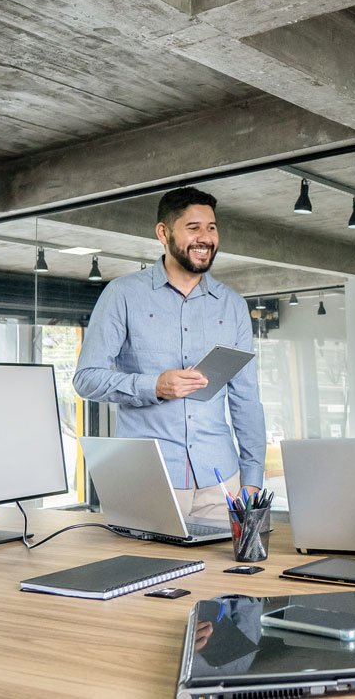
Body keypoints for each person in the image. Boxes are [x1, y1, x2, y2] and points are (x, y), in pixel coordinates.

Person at [73, 186, 265, 521]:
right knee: (149, 572)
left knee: (224, 574)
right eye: (193, 228)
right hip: (149, 480)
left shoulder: (233, 305)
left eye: (211, 227)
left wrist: (252, 477)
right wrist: (154, 386)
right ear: (163, 233)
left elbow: (246, 398)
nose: (205, 238)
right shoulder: (122, 294)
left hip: (222, 483)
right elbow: (86, 380)